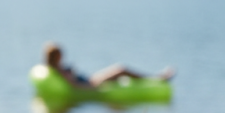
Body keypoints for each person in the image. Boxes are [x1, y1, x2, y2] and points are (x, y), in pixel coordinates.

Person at [44, 43, 174, 89]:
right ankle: (157, 78)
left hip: (90, 79)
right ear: (56, 56)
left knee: (119, 70)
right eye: (61, 54)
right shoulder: (58, 70)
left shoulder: (55, 68)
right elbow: (75, 85)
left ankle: (156, 77)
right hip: (91, 83)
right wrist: (95, 88)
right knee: (121, 69)